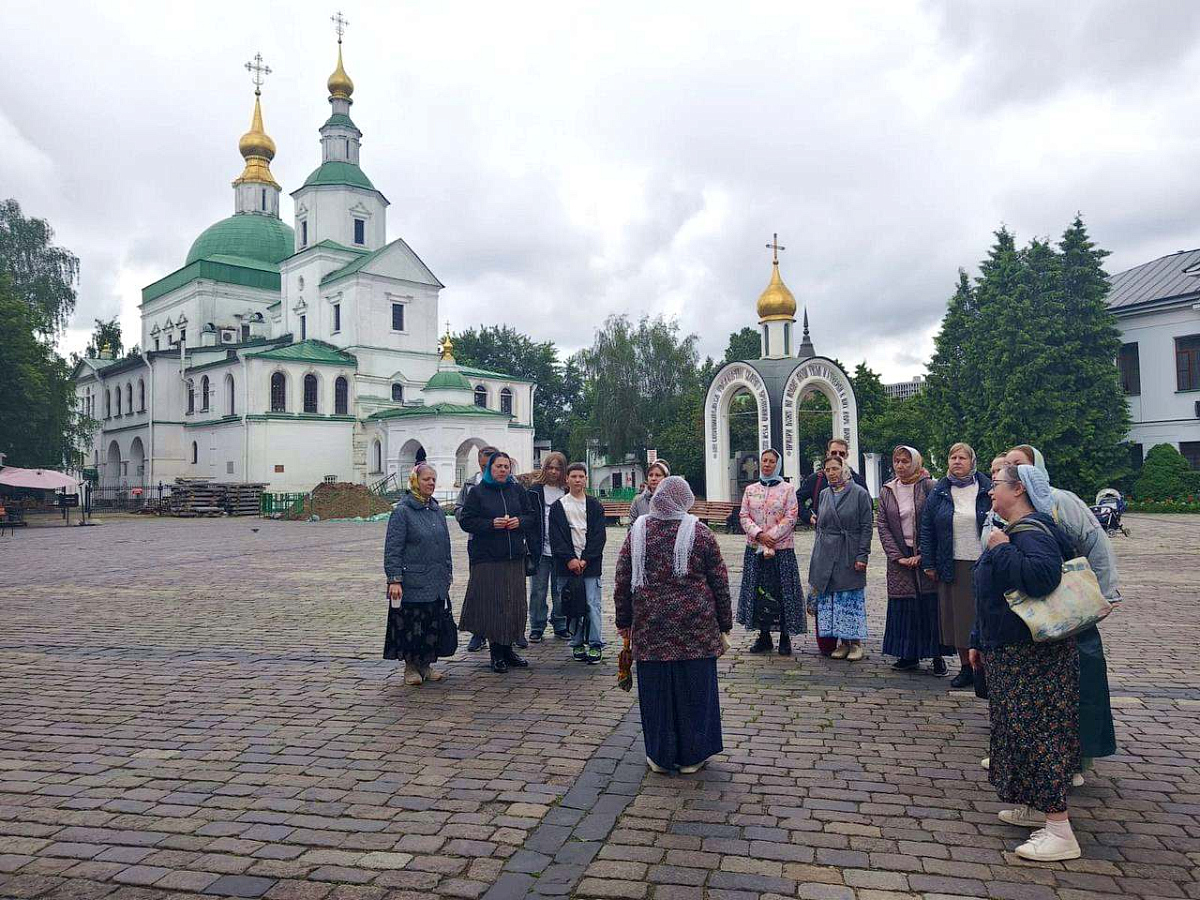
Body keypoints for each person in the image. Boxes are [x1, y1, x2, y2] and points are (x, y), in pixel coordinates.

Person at [969, 464, 1081, 861]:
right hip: (1010, 649)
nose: (990, 491)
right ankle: (1034, 805)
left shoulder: (1032, 532)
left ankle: (1060, 830)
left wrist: (1001, 548)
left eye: (997, 484)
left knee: (1037, 733)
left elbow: (1041, 577)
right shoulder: (1015, 530)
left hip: (1032, 657)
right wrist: (979, 639)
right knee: (1017, 733)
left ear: (1018, 490)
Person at [1006, 444, 1118, 777]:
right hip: (1032, 609)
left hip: (1069, 603)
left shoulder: (1061, 501)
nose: (1013, 469)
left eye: (1020, 464)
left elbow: (1096, 543)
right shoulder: (1006, 505)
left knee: (1080, 681)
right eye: (1008, 464)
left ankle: (1080, 757)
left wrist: (1105, 594)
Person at [614, 476, 732, 774]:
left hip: (651, 627)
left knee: (656, 695)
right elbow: (719, 581)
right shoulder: (701, 532)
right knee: (695, 692)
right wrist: (725, 624)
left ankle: (659, 755)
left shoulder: (637, 531)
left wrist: (623, 620)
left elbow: (623, 578)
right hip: (695, 629)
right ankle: (693, 754)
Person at [920, 442, 992, 688]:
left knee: (983, 615)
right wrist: (929, 563)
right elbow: (927, 528)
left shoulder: (986, 487)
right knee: (959, 619)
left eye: (962, 457)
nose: (957, 461)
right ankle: (966, 667)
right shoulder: (940, 490)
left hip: (984, 562)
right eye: (953, 457)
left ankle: (987, 667)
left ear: (972, 462)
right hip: (952, 563)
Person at [458, 451, 536, 674]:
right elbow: (467, 521)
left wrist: (519, 521)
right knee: (494, 606)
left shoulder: (517, 490)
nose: (502, 470)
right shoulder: (478, 492)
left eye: (506, 466)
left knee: (514, 604)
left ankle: (508, 650)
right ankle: (496, 653)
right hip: (489, 559)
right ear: (489, 468)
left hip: (514, 557)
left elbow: (531, 517)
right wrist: (491, 524)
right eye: (498, 466)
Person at [877, 446, 945, 674]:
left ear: (915, 462)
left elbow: (936, 522)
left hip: (925, 552)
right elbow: (883, 525)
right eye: (897, 461)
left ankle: (937, 656)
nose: (900, 465)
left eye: (905, 461)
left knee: (930, 604)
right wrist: (897, 557)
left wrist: (924, 554)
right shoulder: (888, 490)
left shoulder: (929, 487)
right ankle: (907, 654)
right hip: (899, 554)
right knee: (903, 605)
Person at [797, 438, 867, 656]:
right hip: (826, 552)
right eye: (828, 469)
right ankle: (842, 642)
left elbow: (866, 527)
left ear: (844, 465)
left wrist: (862, 555)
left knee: (849, 597)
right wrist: (810, 518)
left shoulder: (859, 491)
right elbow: (816, 518)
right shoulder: (824, 493)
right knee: (833, 599)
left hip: (848, 550)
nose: (831, 473)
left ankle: (855, 642)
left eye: (836, 468)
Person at [384, 464, 453, 685]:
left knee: (432, 624)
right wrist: (394, 579)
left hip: (435, 580)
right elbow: (393, 548)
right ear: (415, 481)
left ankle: (426, 665)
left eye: (433, 479)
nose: (431, 483)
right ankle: (411, 667)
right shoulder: (403, 511)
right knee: (412, 626)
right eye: (426, 479)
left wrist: (447, 572)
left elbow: (445, 544)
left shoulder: (436, 510)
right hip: (413, 581)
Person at [735, 449, 805, 656]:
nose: (767, 464)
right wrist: (759, 535)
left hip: (781, 550)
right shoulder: (750, 490)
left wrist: (771, 537)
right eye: (764, 461)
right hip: (755, 549)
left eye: (771, 461)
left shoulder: (787, 489)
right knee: (758, 592)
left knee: (782, 592)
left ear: (778, 464)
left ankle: (785, 636)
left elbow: (791, 517)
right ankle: (763, 635)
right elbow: (744, 515)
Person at [549, 463, 608, 663]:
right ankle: (577, 642)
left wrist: (586, 559)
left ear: (586, 479)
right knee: (572, 605)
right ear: (567, 479)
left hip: (590, 566)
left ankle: (595, 643)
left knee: (592, 604)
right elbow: (556, 537)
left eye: (581, 476)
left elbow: (599, 536)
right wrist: (570, 559)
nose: (577, 480)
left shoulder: (594, 506)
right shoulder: (559, 506)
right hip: (567, 566)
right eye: (573, 476)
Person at [455, 445, 499, 653]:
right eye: (483, 466)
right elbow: (459, 509)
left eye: (490, 466)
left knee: (505, 588)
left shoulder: (510, 483)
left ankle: (509, 632)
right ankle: (478, 633)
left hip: (504, 543)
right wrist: (473, 520)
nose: (486, 470)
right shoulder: (471, 484)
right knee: (479, 587)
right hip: (478, 542)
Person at [526, 451, 570, 642]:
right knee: (538, 591)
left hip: (561, 550)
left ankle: (560, 623)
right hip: (540, 549)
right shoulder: (535, 490)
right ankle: (537, 625)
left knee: (560, 590)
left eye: (557, 468)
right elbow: (529, 518)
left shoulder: (566, 491)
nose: (553, 472)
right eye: (550, 468)